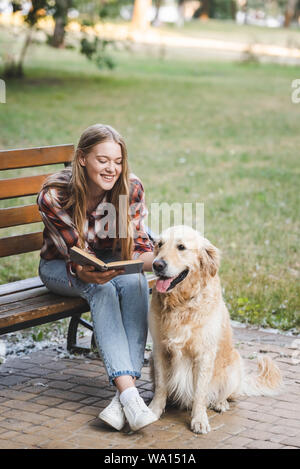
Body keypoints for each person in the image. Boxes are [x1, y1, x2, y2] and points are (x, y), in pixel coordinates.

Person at [37, 123, 158, 432]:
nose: (111, 169)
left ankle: (123, 399)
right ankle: (131, 394)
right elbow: (76, 256)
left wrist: (164, 262)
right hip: (59, 267)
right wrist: (92, 273)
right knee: (101, 291)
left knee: (134, 281)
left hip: (106, 262)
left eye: (117, 162)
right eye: (103, 160)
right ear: (82, 158)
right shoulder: (55, 194)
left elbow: (141, 247)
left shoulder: (130, 187)